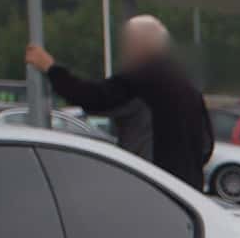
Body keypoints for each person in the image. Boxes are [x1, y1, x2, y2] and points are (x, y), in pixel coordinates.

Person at [25, 16, 211, 190]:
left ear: (141, 46)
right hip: (187, 193)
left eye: (128, 45)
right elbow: (206, 146)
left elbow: (93, 98)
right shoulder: (189, 88)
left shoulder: (143, 80)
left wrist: (50, 68)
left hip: (152, 188)